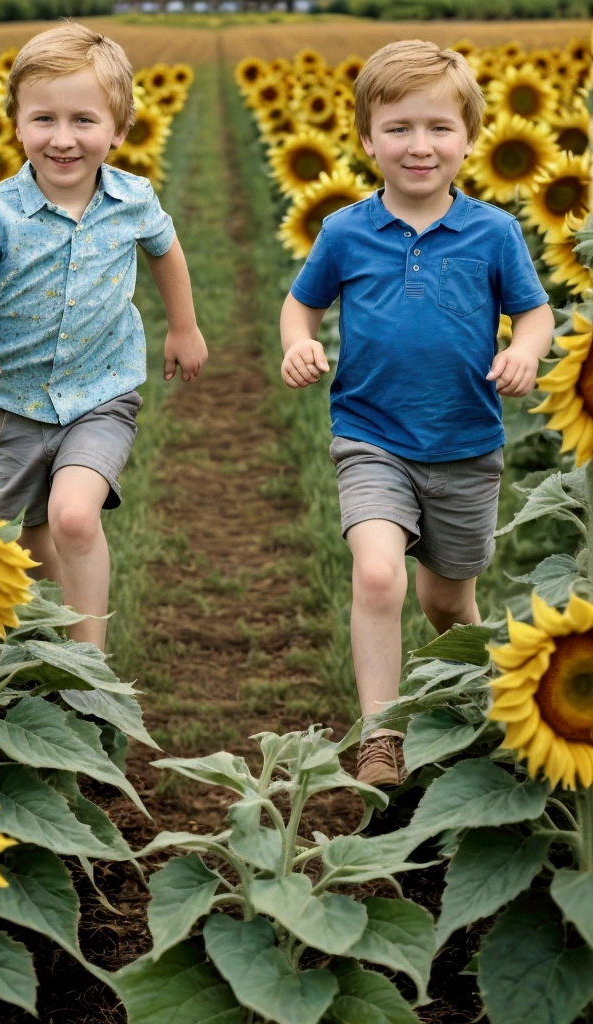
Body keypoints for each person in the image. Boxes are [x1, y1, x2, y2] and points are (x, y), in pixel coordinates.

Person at [279, 39, 554, 794]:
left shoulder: (494, 233)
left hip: (467, 443)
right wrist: (297, 344)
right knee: (377, 577)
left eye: (439, 128)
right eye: (398, 128)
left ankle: (466, 691)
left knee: (449, 601)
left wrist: (525, 353)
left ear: (469, 138)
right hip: (372, 438)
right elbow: (300, 305)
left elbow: (534, 315)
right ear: (368, 139)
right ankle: (382, 733)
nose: (419, 146)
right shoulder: (344, 231)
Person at [0, 21, 207, 651]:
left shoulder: (132, 199)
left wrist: (184, 327)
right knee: (18, 541)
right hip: (8, 405)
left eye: (84, 120)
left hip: (101, 394)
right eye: (44, 120)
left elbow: (166, 252)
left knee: (74, 516)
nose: (62, 140)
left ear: (118, 130)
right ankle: (42, 641)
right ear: (17, 123)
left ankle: (90, 665)